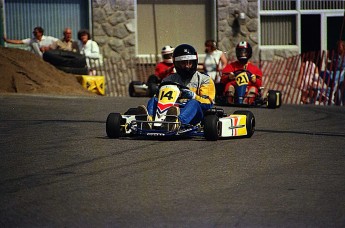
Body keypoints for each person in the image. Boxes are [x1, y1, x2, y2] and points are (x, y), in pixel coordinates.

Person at [137, 43, 216, 131]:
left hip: (194, 114)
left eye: (189, 63)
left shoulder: (205, 80)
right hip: (169, 110)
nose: (186, 66)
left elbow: (208, 104)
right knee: (154, 100)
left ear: (194, 62)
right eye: (183, 63)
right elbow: (161, 99)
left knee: (193, 103)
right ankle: (149, 121)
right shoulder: (168, 79)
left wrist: (193, 96)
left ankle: (177, 123)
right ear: (176, 64)